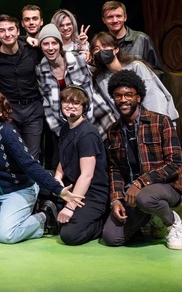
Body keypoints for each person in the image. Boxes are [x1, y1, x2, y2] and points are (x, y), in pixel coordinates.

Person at [0, 92, 84, 244]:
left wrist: (57, 189)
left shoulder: (7, 131)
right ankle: (9, 223)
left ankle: (45, 218)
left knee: (7, 235)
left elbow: (29, 163)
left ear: (0, 112)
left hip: (18, 190)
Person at [101, 70, 182, 250]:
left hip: (165, 188)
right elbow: (115, 170)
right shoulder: (113, 130)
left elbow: (175, 163)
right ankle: (149, 217)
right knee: (111, 238)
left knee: (145, 198)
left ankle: (173, 221)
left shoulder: (160, 121)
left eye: (128, 95)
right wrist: (116, 199)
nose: (123, 100)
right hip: (132, 193)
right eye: (118, 96)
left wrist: (141, 183)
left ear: (138, 97)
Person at [36, 24, 115, 166]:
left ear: (60, 45)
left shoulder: (79, 59)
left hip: (98, 119)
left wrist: (86, 48)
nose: (50, 47)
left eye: (54, 43)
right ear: (41, 46)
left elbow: (103, 73)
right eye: (45, 44)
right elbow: (48, 105)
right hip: (69, 125)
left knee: (109, 163)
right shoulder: (41, 69)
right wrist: (61, 131)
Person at [53, 86, 109, 246]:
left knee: (69, 235)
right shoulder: (66, 127)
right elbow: (64, 157)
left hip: (92, 194)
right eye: (66, 101)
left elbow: (87, 175)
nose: (70, 106)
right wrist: (57, 177)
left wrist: (70, 207)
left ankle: (103, 221)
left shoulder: (87, 134)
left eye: (76, 103)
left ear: (84, 107)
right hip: (72, 187)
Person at [0, 14, 45, 160]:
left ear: (18, 31)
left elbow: (56, 50)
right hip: (9, 111)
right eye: (2, 31)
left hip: (33, 110)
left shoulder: (32, 50)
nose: (7, 34)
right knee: (12, 156)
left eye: (11, 29)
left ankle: (33, 183)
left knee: (32, 158)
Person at [91, 32, 178, 121]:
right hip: (129, 126)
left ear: (116, 49)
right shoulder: (101, 79)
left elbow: (154, 98)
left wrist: (155, 123)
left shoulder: (136, 67)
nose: (101, 51)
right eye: (96, 49)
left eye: (105, 46)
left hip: (154, 122)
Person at [100, 1, 161, 74]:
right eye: (110, 17)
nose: (115, 20)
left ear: (125, 17)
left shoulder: (142, 39)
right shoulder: (100, 44)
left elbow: (157, 71)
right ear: (104, 20)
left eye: (118, 16)